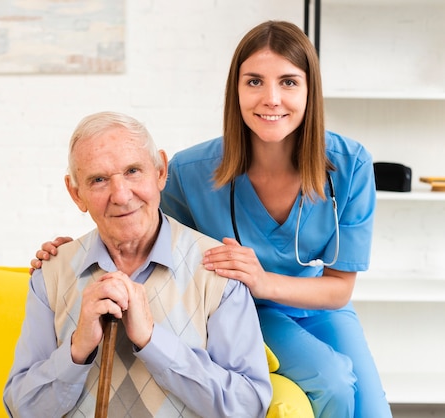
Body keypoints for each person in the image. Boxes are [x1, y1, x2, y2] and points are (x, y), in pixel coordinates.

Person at [30, 21, 392, 418]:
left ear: (310, 91)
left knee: (374, 411)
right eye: (254, 82)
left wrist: (264, 279)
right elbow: (137, 227)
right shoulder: (190, 171)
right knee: (334, 382)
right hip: (248, 310)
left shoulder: (350, 164)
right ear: (235, 90)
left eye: (289, 82)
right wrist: (77, 254)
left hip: (320, 304)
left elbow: (339, 289)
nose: (271, 98)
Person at [4, 111, 272, 417]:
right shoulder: (51, 272)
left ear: (160, 172)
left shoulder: (218, 270)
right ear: (77, 194)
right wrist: (77, 350)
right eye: (99, 180)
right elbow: (20, 408)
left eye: (133, 171)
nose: (121, 195)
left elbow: (248, 407)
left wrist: (153, 341)